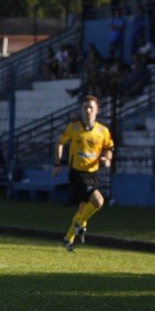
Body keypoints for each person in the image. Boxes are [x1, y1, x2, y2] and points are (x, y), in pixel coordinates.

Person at [53, 95, 113, 252]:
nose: (88, 110)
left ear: (97, 110)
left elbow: (108, 148)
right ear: (81, 110)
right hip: (77, 173)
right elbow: (60, 143)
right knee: (98, 201)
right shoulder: (73, 128)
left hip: (93, 174)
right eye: (85, 107)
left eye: (91, 107)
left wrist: (107, 159)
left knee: (82, 209)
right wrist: (57, 164)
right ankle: (79, 225)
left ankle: (68, 238)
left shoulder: (103, 131)